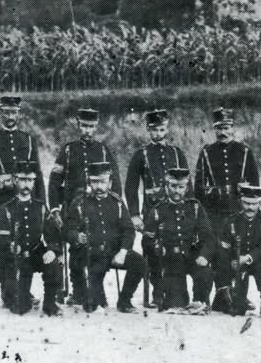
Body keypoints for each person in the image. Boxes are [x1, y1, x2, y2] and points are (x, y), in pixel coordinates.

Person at [49, 108, 122, 305]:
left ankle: (97, 290)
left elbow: (115, 182)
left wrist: (114, 207)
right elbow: (54, 181)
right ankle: (78, 291)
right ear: (78, 125)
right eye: (84, 126)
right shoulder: (68, 150)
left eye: (91, 126)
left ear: (96, 126)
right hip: (74, 209)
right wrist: (54, 208)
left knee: (97, 246)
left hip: (98, 208)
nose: (88, 130)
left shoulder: (103, 150)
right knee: (76, 246)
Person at [0, 161, 63, 316]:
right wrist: (10, 245)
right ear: (15, 180)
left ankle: (50, 303)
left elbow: (52, 234)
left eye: (30, 180)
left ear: (34, 182)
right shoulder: (6, 208)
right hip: (15, 258)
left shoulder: (40, 207)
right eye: (22, 179)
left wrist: (52, 250)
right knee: (19, 307)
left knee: (53, 264)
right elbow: (1, 237)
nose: (26, 184)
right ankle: (19, 297)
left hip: (35, 253)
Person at [195, 107, 260, 311]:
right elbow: (199, 188)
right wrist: (218, 193)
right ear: (214, 129)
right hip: (214, 213)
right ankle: (222, 293)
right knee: (219, 252)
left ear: (233, 128)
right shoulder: (206, 153)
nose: (223, 132)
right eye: (219, 128)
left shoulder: (245, 152)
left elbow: (255, 187)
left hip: (238, 212)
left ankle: (239, 294)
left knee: (239, 250)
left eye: (227, 127)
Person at [126, 109, 191, 308]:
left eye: (162, 129)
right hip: (151, 212)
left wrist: (190, 211)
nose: (158, 134)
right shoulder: (141, 154)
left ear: (167, 129)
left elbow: (188, 185)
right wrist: (135, 215)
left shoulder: (176, 153)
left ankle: (176, 291)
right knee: (153, 250)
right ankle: (157, 291)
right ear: (148, 129)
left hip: (176, 212)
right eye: (154, 130)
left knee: (176, 249)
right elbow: (130, 187)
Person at [64, 162, 144, 313]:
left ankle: (125, 301)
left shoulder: (117, 203)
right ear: (89, 182)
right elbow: (67, 230)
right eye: (95, 182)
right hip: (91, 255)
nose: (99, 186)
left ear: (110, 182)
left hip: (113, 252)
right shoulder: (79, 203)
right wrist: (76, 236)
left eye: (103, 182)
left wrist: (123, 251)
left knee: (139, 263)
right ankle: (91, 296)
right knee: (92, 306)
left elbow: (128, 230)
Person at [143, 167, 214, 313]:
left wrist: (204, 256)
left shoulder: (195, 207)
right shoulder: (157, 210)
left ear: (186, 188)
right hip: (169, 259)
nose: (177, 191)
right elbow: (147, 240)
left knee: (205, 273)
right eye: (173, 186)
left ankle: (199, 300)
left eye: (181, 187)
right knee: (176, 304)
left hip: (191, 255)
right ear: (166, 186)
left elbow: (208, 237)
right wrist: (158, 248)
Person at [0, 95, 45, 220]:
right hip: (0, 197)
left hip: (27, 196)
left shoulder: (29, 140)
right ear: (0, 114)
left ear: (19, 114)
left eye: (14, 112)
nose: (10, 117)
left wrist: (42, 201)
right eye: (6, 113)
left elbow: (37, 172)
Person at [217, 184, 261, 318]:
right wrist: (232, 259)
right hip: (238, 262)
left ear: (260, 203)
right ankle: (236, 301)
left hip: (259, 260)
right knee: (238, 309)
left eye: (254, 204)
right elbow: (224, 246)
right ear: (240, 202)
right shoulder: (231, 221)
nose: (250, 207)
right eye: (247, 203)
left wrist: (249, 257)